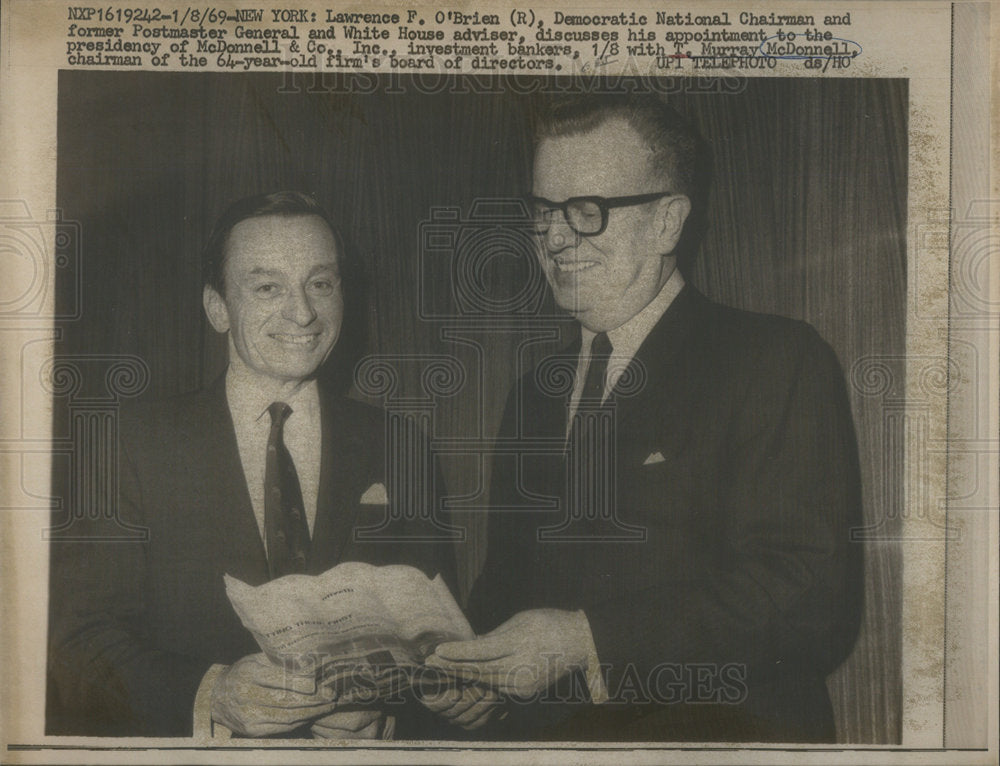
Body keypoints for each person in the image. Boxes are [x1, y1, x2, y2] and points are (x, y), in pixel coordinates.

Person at [425, 94, 864, 742]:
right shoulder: (532, 396)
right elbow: (507, 588)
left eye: (586, 211)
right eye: (543, 211)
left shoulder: (774, 359)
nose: (553, 237)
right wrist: (476, 679)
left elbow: (807, 595)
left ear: (668, 223)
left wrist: (585, 641)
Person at [47, 191, 456, 737]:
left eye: (321, 283)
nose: (303, 312)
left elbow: (443, 649)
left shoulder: (401, 445)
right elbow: (78, 642)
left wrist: (394, 715)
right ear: (218, 308)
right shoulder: (130, 444)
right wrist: (211, 696)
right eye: (268, 287)